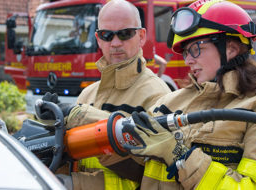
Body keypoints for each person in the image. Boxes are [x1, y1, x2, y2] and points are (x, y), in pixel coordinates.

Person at [121, 0, 256, 189]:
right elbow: (137, 173)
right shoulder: (169, 101)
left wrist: (180, 156)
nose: (188, 60)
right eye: (186, 52)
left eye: (196, 49)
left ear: (230, 49)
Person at [37, 0, 171, 189]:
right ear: (98, 39)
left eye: (125, 33)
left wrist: (74, 184)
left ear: (141, 36)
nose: (115, 43)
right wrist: (53, 128)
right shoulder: (87, 94)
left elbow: (148, 174)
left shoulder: (158, 94)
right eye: (106, 35)